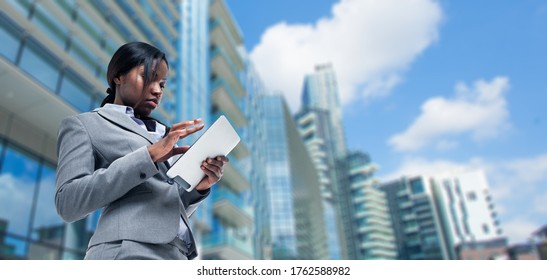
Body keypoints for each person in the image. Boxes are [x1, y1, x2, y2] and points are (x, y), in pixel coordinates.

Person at [55, 42, 228, 260]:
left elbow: (161, 202)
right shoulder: (85, 125)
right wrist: (149, 156)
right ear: (119, 76)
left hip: (177, 255)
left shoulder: (163, 133)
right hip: (126, 253)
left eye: (162, 84)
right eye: (148, 77)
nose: (157, 90)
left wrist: (198, 188)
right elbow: (68, 203)